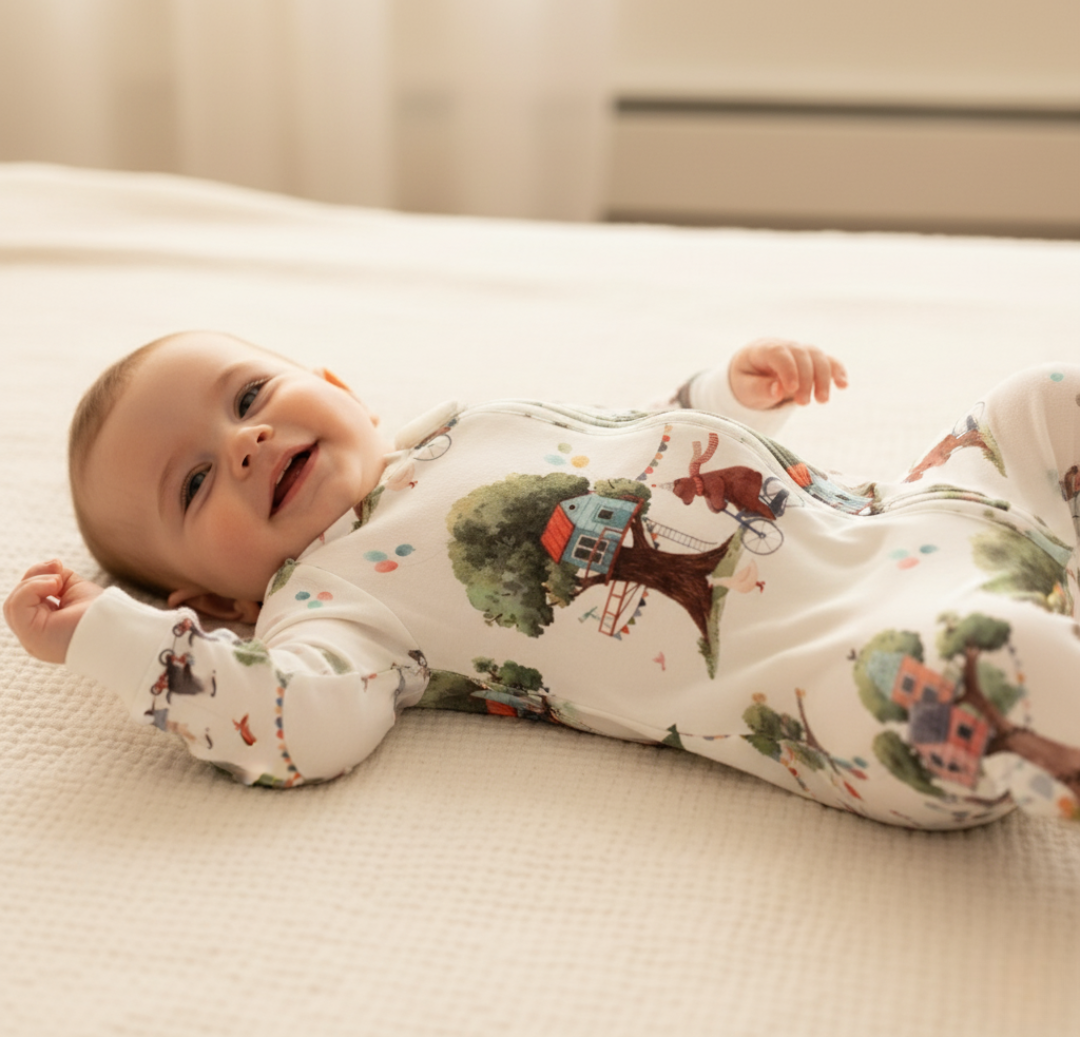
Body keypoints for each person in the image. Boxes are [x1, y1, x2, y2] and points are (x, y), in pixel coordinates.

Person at [5, 332, 1080, 830]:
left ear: (338, 383)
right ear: (218, 605)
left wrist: (728, 395)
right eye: (193, 485)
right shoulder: (330, 608)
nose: (245, 442)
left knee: (1042, 400)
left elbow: (629, 447)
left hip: (914, 523)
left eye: (250, 393)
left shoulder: (462, 425)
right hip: (842, 675)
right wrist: (110, 637)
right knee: (1011, 668)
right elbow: (292, 728)